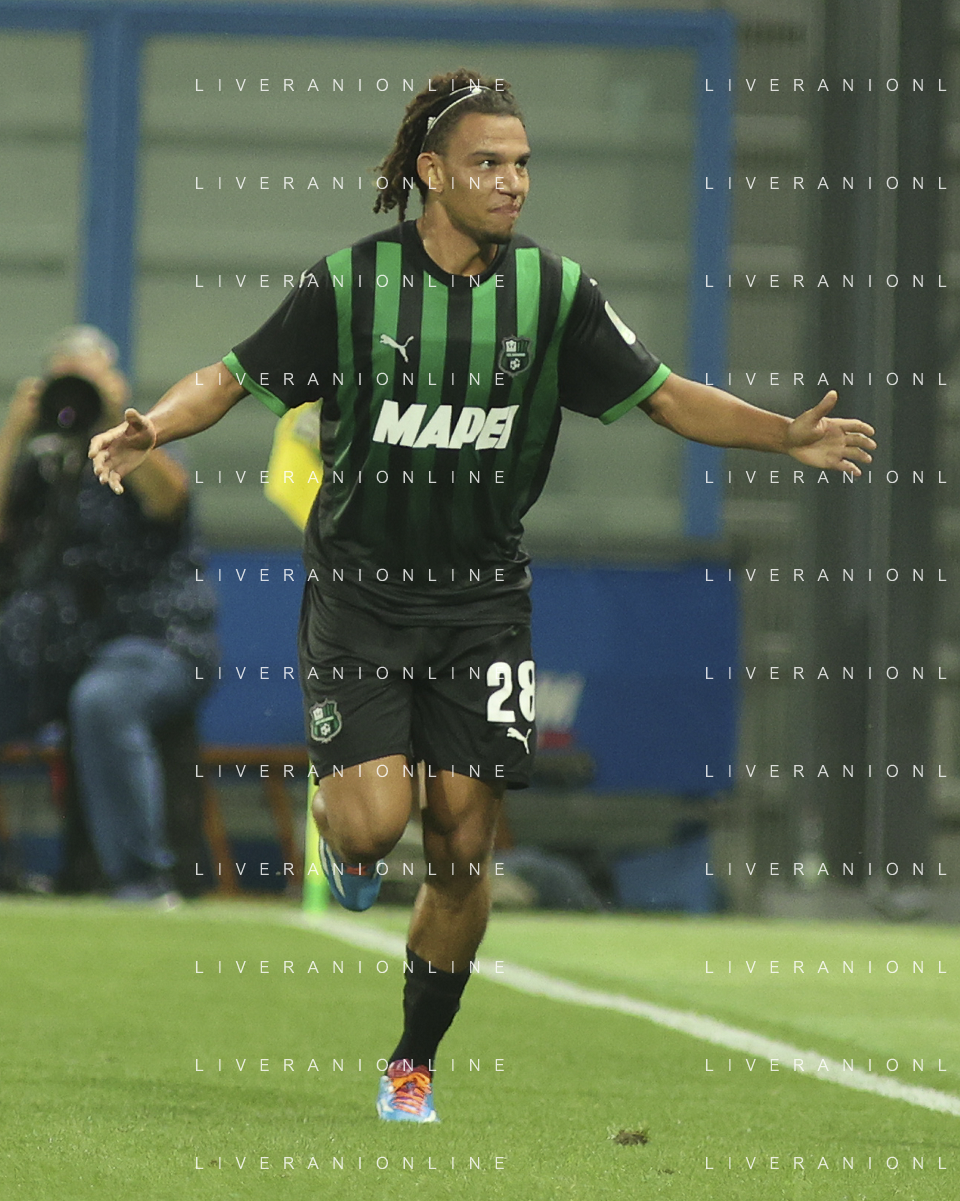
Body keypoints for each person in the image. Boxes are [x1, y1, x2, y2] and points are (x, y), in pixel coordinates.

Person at [88, 70, 876, 1119]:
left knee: (464, 845)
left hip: (483, 606)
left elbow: (665, 396)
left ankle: (411, 1062)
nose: (513, 182)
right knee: (372, 829)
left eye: (523, 164)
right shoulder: (352, 285)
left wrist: (782, 433)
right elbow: (232, 376)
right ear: (432, 173)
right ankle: (345, 839)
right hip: (363, 596)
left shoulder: (554, 294)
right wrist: (153, 424)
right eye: (489, 164)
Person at [0, 326, 217, 901]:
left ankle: (141, 882)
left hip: (154, 639)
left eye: (88, 381)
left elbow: (168, 500)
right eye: (64, 382)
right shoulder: (41, 460)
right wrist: (14, 432)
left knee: (102, 701)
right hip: (51, 642)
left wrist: (117, 428)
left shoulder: (151, 444)